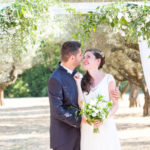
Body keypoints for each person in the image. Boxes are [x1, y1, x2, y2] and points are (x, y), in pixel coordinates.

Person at [74, 48, 121, 150]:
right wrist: (78, 83)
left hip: (106, 125)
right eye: (84, 57)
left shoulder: (108, 79)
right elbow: (81, 104)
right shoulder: (82, 81)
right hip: (88, 128)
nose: (84, 59)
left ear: (98, 61)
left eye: (88, 57)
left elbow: (115, 104)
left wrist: (103, 118)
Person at [48, 41, 82, 150]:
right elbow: (57, 110)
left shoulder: (77, 75)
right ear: (72, 58)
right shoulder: (55, 78)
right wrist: (80, 120)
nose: (82, 57)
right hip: (64, 139)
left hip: (80, 136)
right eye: (80, 55)